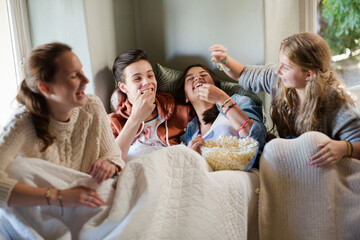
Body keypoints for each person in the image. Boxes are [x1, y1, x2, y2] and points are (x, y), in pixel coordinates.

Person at [0, 42, 125, 209]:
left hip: (85, 200)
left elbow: (113, 154)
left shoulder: (92, 106)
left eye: (81, 71)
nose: (86, 80)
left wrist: (109, 164)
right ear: (46, 88)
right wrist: (58, 196)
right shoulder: (22, 123)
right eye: (74, 75)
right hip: (46, 207)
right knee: (16, 169)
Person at [210, 32, 360, 167]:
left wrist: (344, 148)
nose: (278, 70)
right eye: (279, 63)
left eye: (286, 67)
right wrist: (224, 60)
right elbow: (241, 74)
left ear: (308, 75)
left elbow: (357, 143)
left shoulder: (338, 104)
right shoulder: (278, 79)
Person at [108, 49, 193, 160]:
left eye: (150, 75)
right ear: (123, 87)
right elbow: (112, 161)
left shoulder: (179, 111)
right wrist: (135, 118)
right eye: (137, 78)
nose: (147, 82)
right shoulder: (114, 122)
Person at [177, 64, 266, 159]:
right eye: (190, 78)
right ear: (186, 96)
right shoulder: (189, 132)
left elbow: (257, 139)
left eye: (203, 75)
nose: (198, 78)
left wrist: (222, 99)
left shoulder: (238, 101)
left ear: (215, 86)